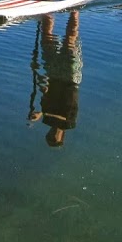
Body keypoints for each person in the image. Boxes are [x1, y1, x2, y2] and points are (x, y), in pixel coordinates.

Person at [27, 10, 82, 148]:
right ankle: (74, 12)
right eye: (54, 139)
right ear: (61, 137)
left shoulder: (46, 119)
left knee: (46, 38)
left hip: (52, 75)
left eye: (49, 138)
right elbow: (68, 108)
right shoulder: (69, 123)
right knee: (70, 40)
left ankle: (47, 12)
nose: (51, 136)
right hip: (69, 78)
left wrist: (36, 70)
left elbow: (45, 91)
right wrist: (42, 114)